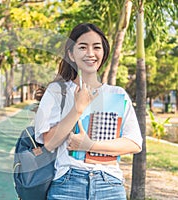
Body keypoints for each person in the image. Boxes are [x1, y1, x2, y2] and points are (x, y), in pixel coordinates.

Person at [34, 23, 143, 200]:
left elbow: (134, 143)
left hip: (110, 185)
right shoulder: (56, 91)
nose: (90, 53)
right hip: (67, 184)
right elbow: (49, 143)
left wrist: (89, 146)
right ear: (71, 53)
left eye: (96, 47)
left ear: (103, 53)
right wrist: (77, 109)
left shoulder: (116, 94)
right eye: (83, 47)